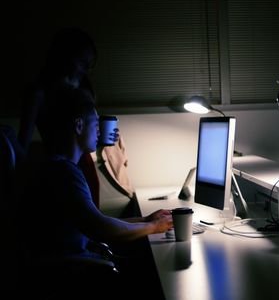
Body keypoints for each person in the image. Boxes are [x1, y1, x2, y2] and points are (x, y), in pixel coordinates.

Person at [20, 87, 172, 298]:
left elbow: (94, 220)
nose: (100, 131)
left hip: (78, 262)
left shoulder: (59, 166)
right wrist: (153, 227)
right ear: (79, 125)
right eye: (95, 124)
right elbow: (101, 228)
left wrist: (146, 219)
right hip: (72, 275)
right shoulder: (63, 173)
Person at [17, 27, 111, 206]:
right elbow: (23, 143)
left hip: (84, 163)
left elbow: (83, 132)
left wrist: (100, 137)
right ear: (65, 57)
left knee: (91, 219)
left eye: (90, 65)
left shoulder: (84, 87)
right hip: (58, 164)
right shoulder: (39, 92)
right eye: (82, 62)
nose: (86, 70)